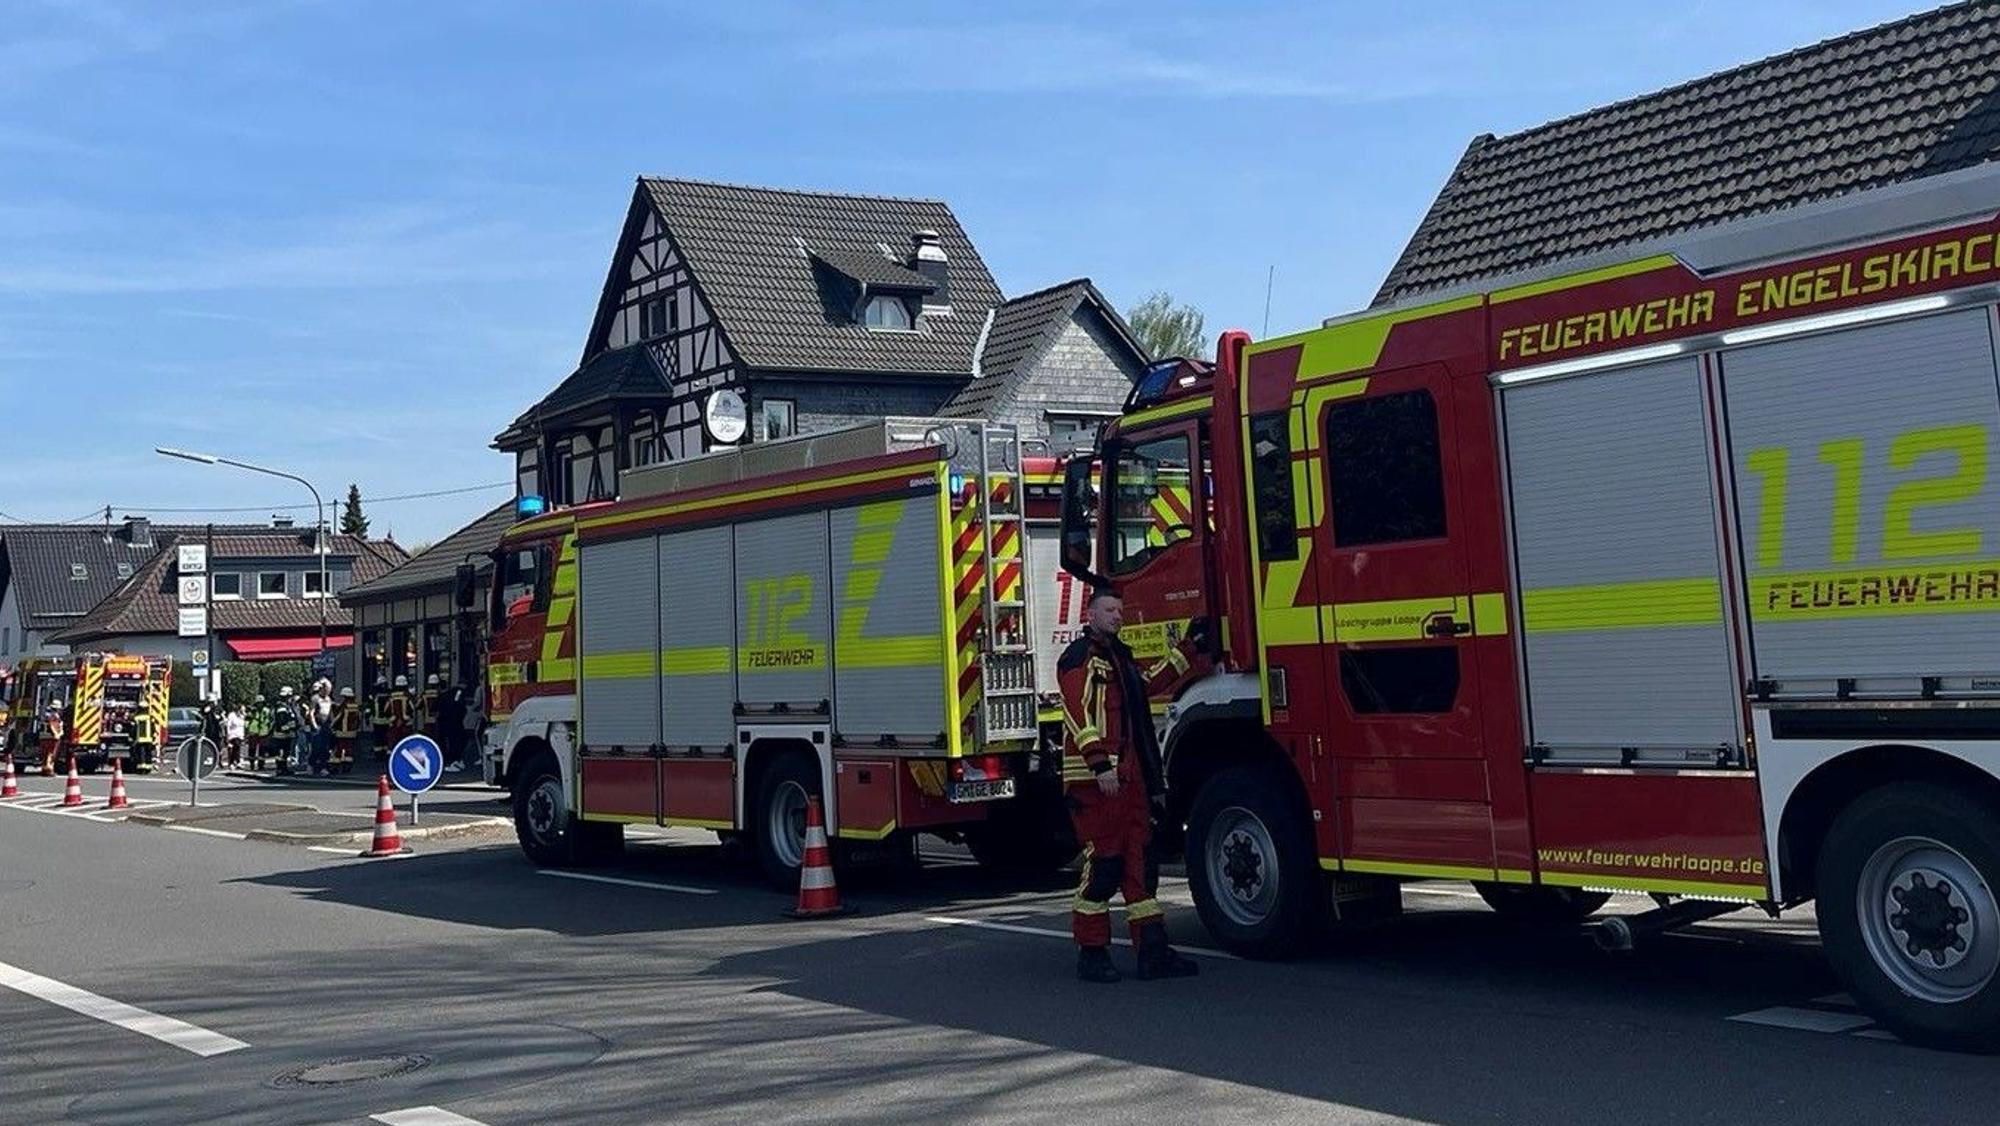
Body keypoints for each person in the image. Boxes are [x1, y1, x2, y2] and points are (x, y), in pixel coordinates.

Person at [1058, 587, 1208, 984]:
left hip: (1131, 779)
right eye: (1109, 609)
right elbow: (1077, 714)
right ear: (1090, 615)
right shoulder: (1080, 659)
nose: (1117, 616)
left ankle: (1153, 954)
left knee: (1141, 865)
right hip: (1098, 782)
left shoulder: (1119, 658)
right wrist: (1098, 764)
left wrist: (1189, 650)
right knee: (1105, 863)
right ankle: (1091, 955)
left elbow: (1150, 683)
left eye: (1121, 610)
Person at [304, 679, 334, 776]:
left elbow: (330, 712)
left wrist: (332, 724)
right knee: (316, 747)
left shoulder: (328, 699)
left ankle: (323, 767)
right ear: (322, 688)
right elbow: (311, 713)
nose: (328, 692)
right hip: (318, 726)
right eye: (327, 689)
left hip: (326, 726)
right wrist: (314, 725)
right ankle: (311, 764)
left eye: (329, 690)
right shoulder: (315, 698)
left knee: (325, 748)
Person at [270, 686, 301, 775]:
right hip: (281, 734)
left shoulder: (287, 706)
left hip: (287, 734)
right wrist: (290, 727)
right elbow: (282, 721)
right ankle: (280, 769)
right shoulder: (281, 707)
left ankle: (284, 768)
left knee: (285, 753)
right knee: (281, 753)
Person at [331, 687, 362, 775]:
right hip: (352, 732)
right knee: (349, 750)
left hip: (342, 731)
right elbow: (358, 718)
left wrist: (332, 726)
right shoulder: (356, 705)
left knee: (339, 749)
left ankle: (335, 767)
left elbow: (338, 717)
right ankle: (347, 767)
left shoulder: (344, 705)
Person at [437, 682, 468, 770]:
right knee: (457, 740)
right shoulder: (458, 692)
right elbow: (460, 705)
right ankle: (457, 759)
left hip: (445, 721)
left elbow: (435, 709)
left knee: (449, 741)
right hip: (457, 721)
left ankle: (452, 760)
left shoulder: (443, 696)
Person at [385, 675, 413, 753]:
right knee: (406, 742)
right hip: (406, 724)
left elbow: (386, 710)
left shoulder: (391, 696)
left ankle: (391, 757)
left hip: (393, 723)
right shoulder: (407, 695)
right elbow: (412, 708)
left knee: (393, 741)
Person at [419, 674, 442, 741]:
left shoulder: (424, 694)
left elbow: (418, 705)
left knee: (428, 739)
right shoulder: (440, 694)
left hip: (427, 720)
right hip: (437, 720)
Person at [223, 705, 247, 769]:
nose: (243, 711)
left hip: (240, 735)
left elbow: (243, 726)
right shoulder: (232, 715)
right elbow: (228, 725)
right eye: (242, 710)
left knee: (237, 749)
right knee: (236, 746)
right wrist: (227, 735)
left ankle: (235, 762)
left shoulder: (242, 716)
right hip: (233, 734)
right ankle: (234, 762)